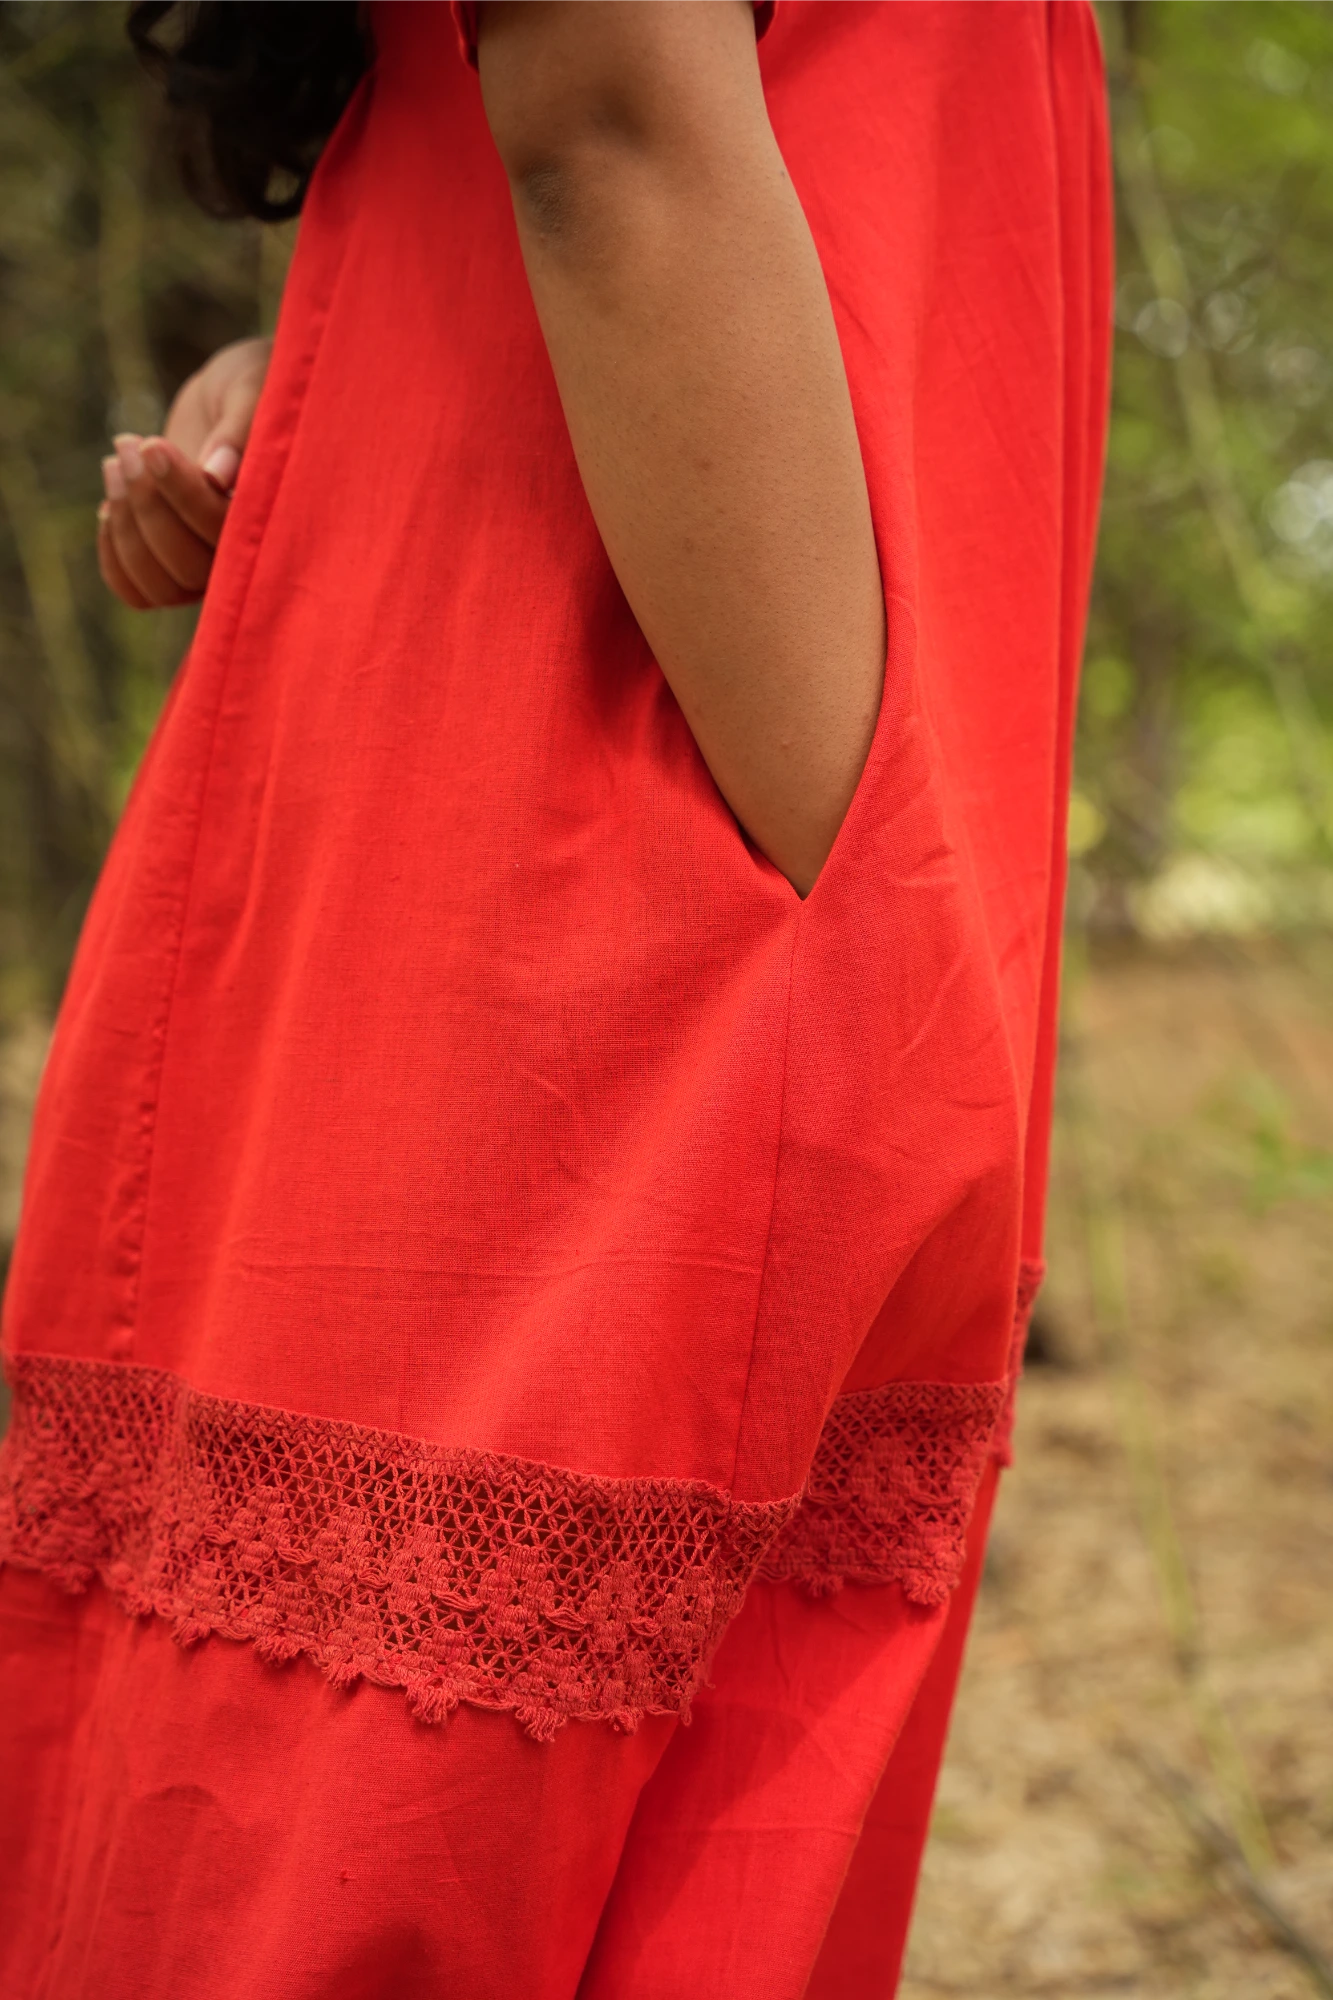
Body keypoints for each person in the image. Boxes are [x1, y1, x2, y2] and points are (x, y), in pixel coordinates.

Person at [0, 0, 1111, 1991]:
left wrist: (324, 354)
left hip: (581, 666)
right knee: (439, 1853)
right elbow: (605, 111)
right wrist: (862, 849)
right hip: (653, 784)